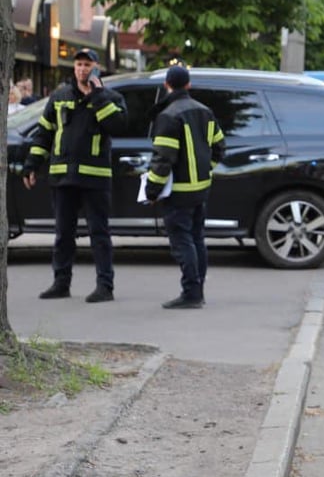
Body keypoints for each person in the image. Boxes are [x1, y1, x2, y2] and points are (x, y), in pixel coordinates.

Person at [23, 48, 127, 303]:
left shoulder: (110, 97)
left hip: (95, 178)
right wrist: (32, 164)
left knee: (99, 233)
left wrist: (98, 96)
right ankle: (61, 283)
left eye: (87, 64)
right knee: (63, 234)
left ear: (96, 68)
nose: (82, 69)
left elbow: (117, 126)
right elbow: (44, 133)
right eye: (79, 64)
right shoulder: (59, 97)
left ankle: (105, 286)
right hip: (62, 177)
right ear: (74, 68)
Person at [144, 65, 226, 309]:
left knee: (182, 242)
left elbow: (163, 159)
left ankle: (190, 294)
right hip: (201, 188)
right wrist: (204, 169)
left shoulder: (168, 116)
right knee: (196, 239)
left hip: (178, 192)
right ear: (188, 85)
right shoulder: (205, 112)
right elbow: (220, 148)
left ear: (166, 85)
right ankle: (197, 291)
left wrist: (151, 190)